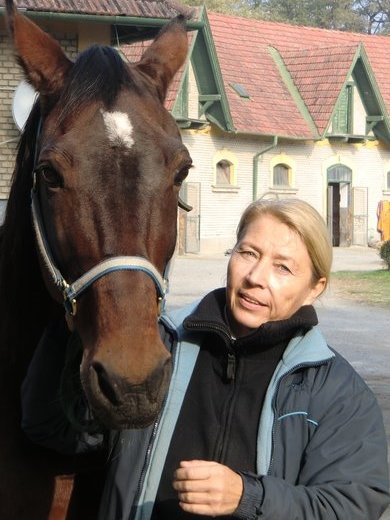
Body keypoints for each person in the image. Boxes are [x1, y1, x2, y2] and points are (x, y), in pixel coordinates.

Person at [21, 198, 390, 519]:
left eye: (283, 267)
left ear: (315, 288)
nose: (256, 278)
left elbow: (352, 505)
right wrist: (67, 319)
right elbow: (54, 427)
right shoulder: (159, 349)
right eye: (248, 253)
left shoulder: (338, 393)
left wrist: (248, 498)